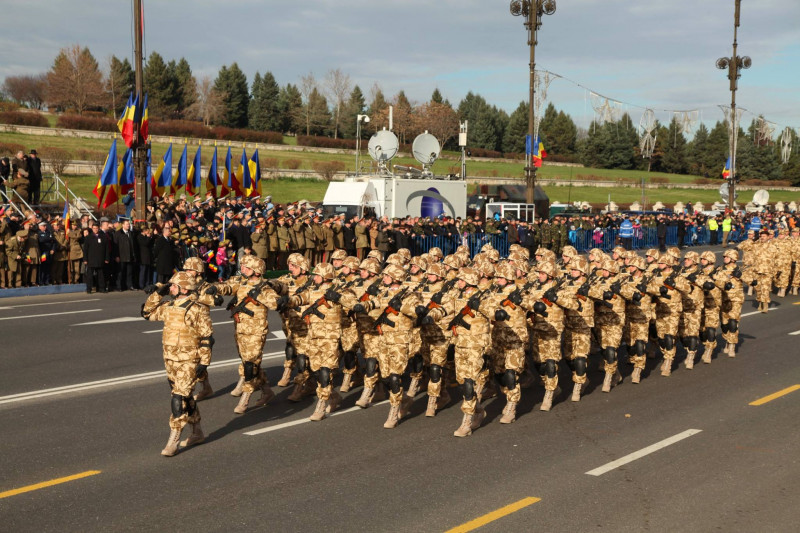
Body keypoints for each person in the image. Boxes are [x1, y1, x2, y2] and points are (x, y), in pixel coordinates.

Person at [142, 272, 213, 457]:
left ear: (183, 288)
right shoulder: (169, 306)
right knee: (186, 397)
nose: (170, 288)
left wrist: (204, 362)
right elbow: (146, 313)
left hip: (189, 360)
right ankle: (197, 432)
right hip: (171, 359)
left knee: (178, 399)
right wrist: (159, 293)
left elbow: (207, 337)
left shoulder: (197, 308)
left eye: (173, 286)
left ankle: (173, 440)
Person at [215, 255, 285, 414]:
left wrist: (259, 295)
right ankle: (267, 392)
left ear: (256, 271)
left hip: (256, 332)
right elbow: (227, 287)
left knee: (250, 366)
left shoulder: (264, 288)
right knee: (248, 361)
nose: (243, 269)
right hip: (240, 329)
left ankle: (245, 399)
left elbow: (276, 303)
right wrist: (214, 288)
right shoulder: (242, 282)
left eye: (246, 267)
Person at [83, 221, 109, 293]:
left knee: (101, 275)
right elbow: (85, 249)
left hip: (100, 259)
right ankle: (89, 289)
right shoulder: (88, 237)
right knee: (90, 276)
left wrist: (107, 258)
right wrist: (85, 259)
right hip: (91, 259)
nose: (95, 230)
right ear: (92, 228)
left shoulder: (103, 237)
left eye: (96, 228)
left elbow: (107, 248)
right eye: (94, 228)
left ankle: (101, 288)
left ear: (98, 228)